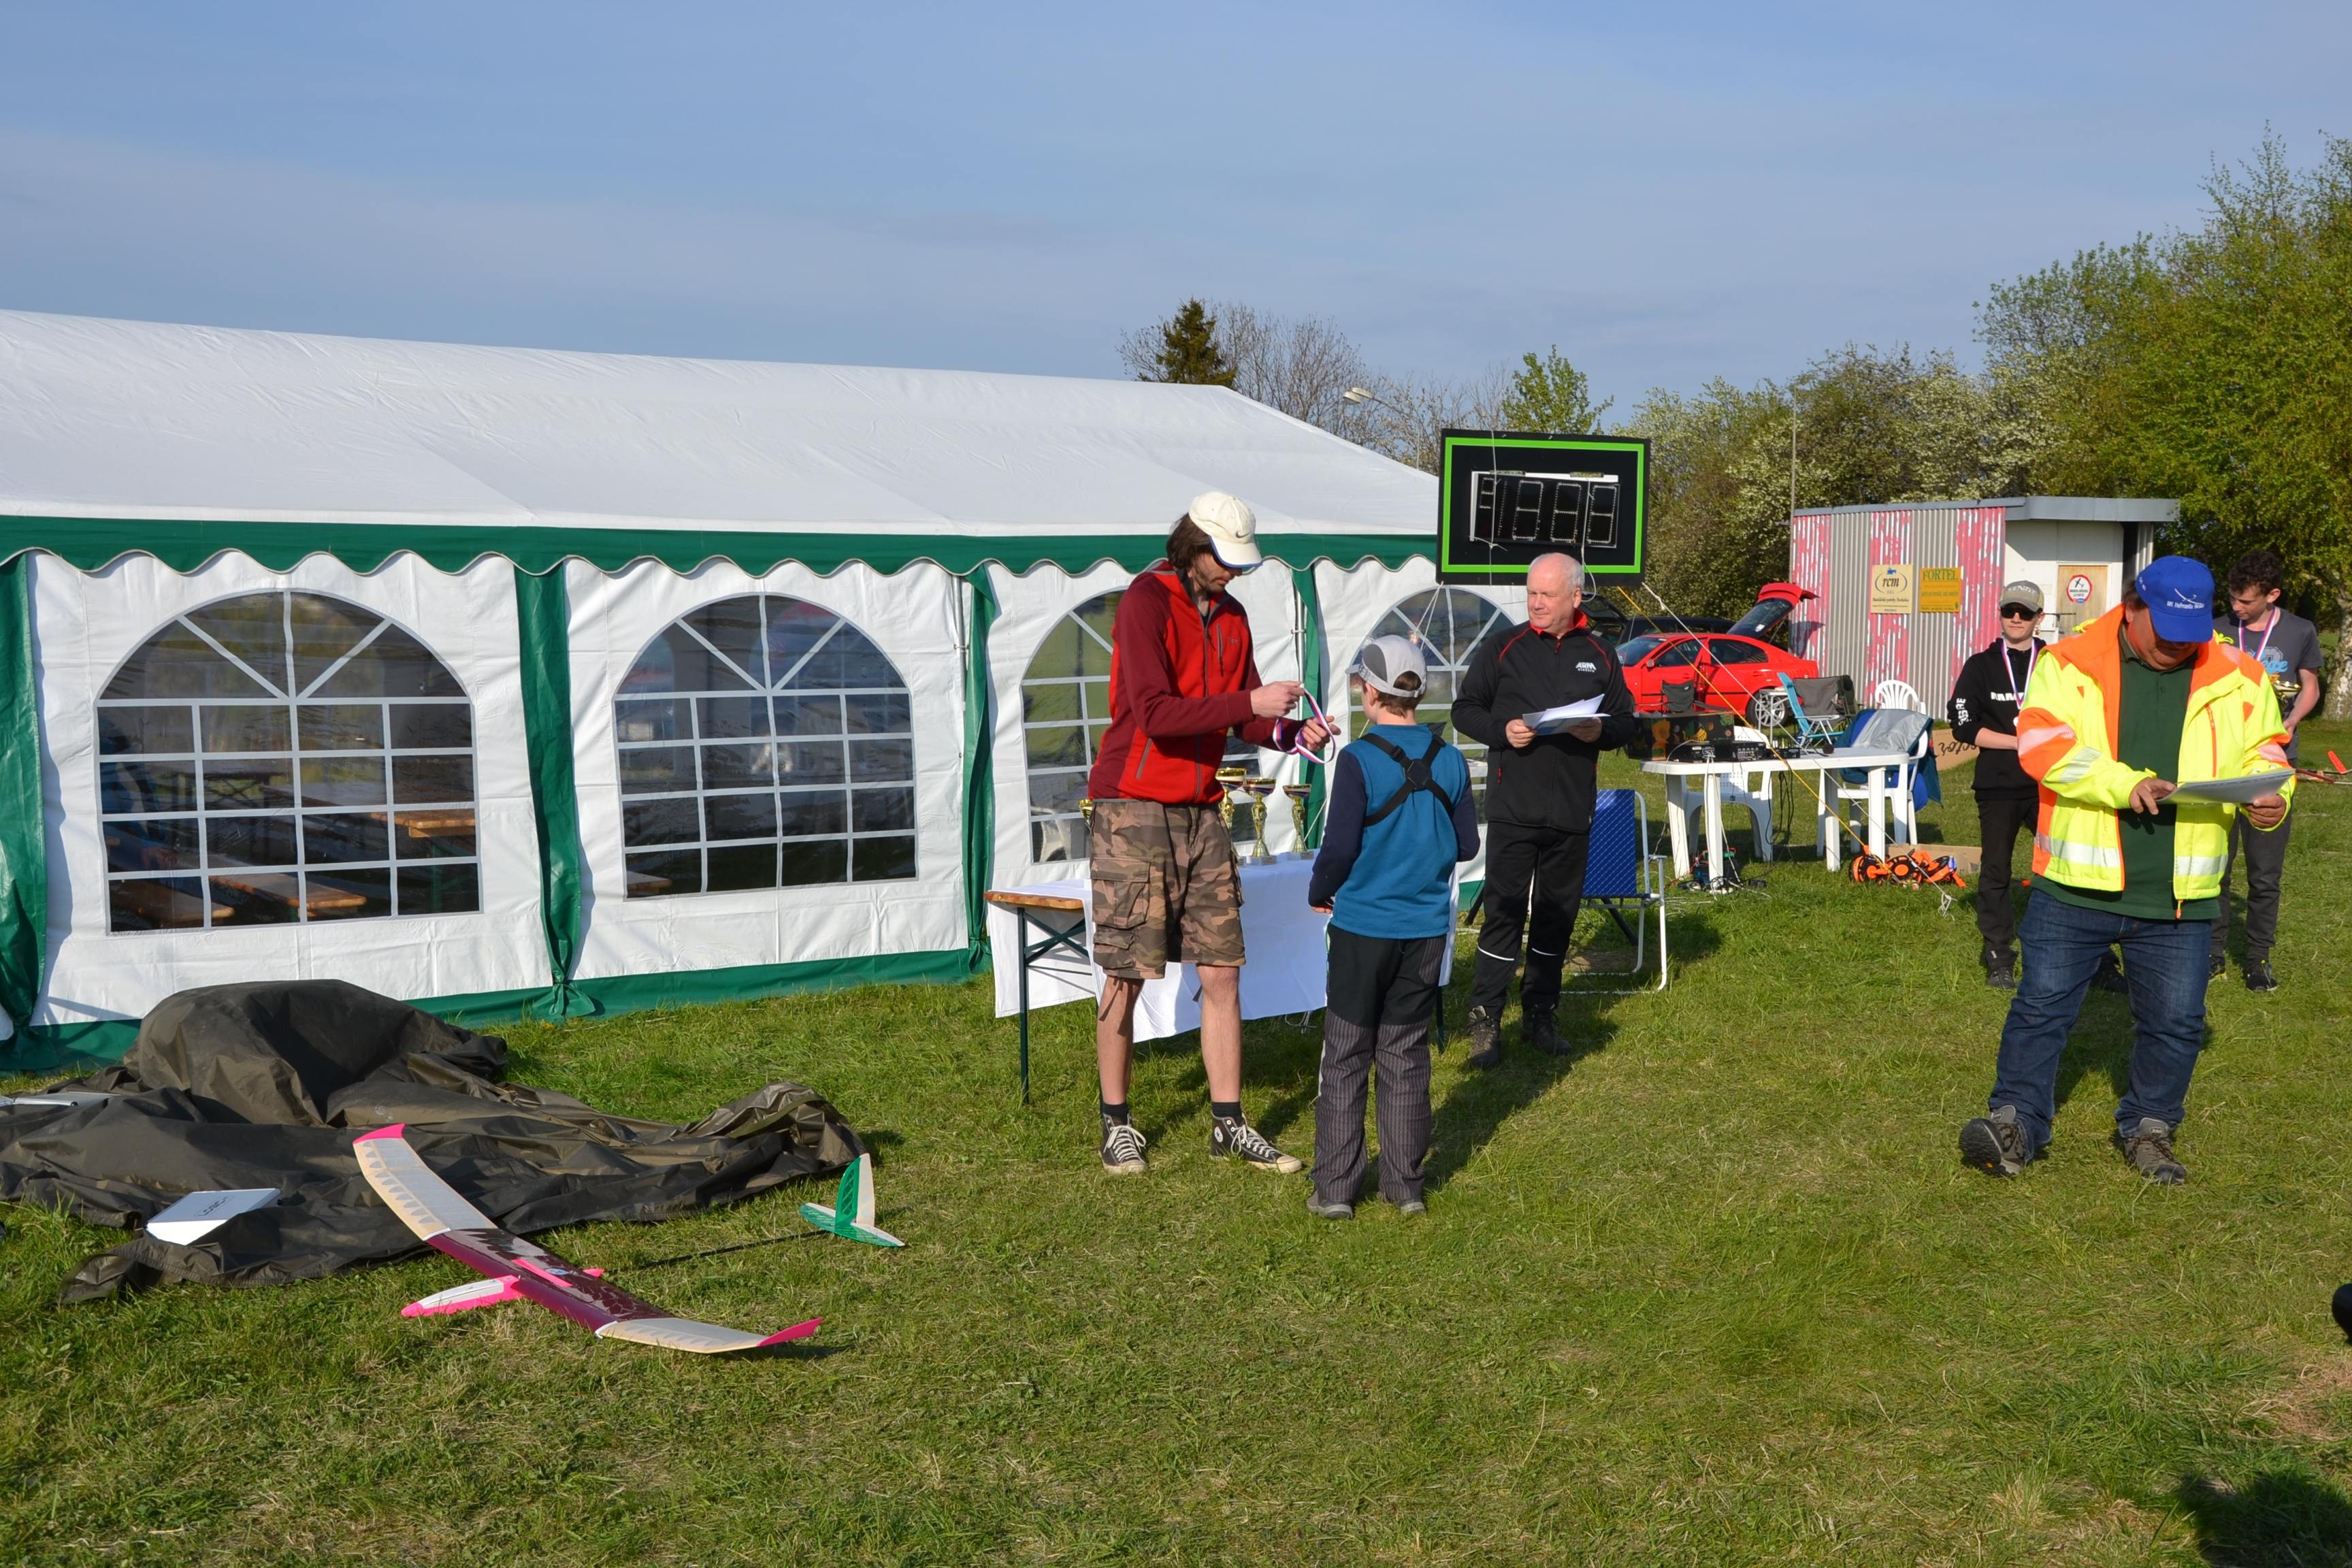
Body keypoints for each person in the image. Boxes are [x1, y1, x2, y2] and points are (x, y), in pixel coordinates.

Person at [1959, 557, 2291, 1186]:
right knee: (2041, 1010)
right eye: (2164, 633)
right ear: (2134, 608)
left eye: (2189, 636)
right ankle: (2015, 1124)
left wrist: (2273, 799)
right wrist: (2124, 784)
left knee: (2176, 1024)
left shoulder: (2242, 674)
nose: (2177, 647)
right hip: (2074, 886)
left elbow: (2268, 752)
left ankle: (2149, 1128)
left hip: (2181, 894)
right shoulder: (2069, 661)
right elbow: (2044, 746)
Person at [1083, 491, 1332, 1177]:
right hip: (1132, 806)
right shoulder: (1145, 602)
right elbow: (1156, 715)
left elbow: (1244, 721)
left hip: (1201, 811)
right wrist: (1249, 702)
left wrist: (1289, 731)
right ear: (1193, 547)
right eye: (1226, 560)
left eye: (1241, 563)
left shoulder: (1234, 616)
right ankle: (1117, 1124)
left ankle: (1230, 1123)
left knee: (1223, 969)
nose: (1235, 573)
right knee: (1126, 972)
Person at [1303, 636, 1481, 1220]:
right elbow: (1467, 845)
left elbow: (1339, 848)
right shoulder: (1451, 758)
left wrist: (1318, 890)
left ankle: (1335, 1189)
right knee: (1406, 1052)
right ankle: (1405, 1187)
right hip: (1425, 929)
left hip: (1364, 927)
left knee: (1347, 1053)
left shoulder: (1358, 759)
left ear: (1370, 691)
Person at [1450, 552, 1638, 1067]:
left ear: (1575, 597)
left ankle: (1541, 1015)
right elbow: (1464, 710)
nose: (1535, 603)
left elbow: (1627, 722)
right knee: (1504, 914)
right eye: (1531, 593)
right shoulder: (1502, 647)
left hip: (1572, 811)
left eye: (1547, 595)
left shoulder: (1600, 653)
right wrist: (1502, 731)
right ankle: (1485, 1020)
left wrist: (1601, 731)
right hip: (1514, 808)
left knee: (1556, 917)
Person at [2210, 549, 2323, 992]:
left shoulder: (2300, 630)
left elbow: (2310, 685)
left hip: (2275, 761)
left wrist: (2292, 721)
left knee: (2264, 871)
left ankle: (2258, 958)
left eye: (2246, 601)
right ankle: (2212, 954)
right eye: (2233, 598)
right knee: (2215, 866)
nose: (2236, 607)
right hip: (2220, 762)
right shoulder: (2217, 630)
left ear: (2272, 595)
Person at [1946, 581, 2050, 990]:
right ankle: (1999, 956)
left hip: (2049, 783)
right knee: (1996, 870)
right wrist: (2017, 742)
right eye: (2010, 611)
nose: (2017, 618)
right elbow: (1963, 726)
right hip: (1999, 784)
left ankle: (2088, 954)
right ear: (2000, 614)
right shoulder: (1980, 665)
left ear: (2040, 617)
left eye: (2025, 612)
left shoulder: (2056, 663)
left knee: (2068, 866)